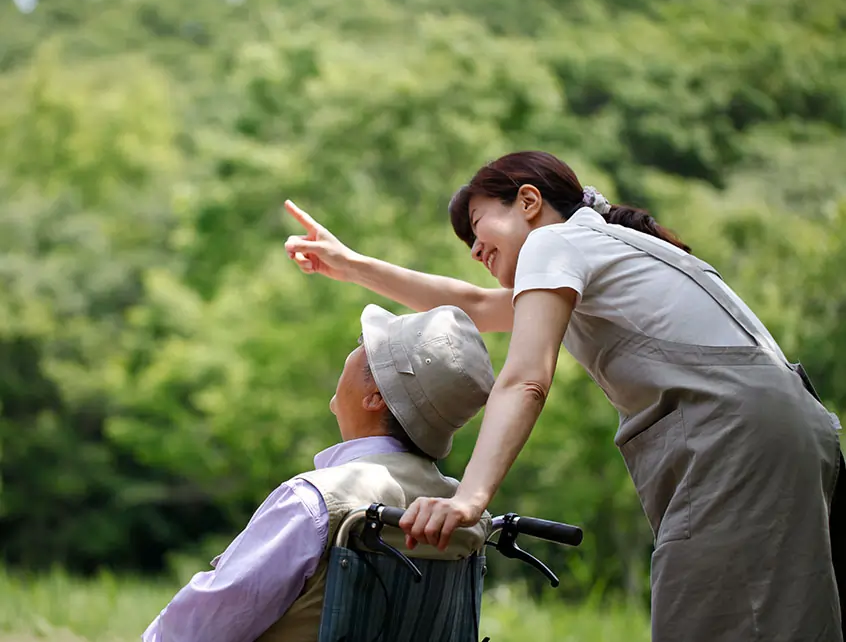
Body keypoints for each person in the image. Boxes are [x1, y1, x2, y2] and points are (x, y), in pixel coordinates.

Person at [284, 150, 845, 642]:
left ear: (528, 201)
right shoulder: (597, 249)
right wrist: (351, 265)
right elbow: (477, 306)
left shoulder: (554, 242)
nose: (475, 249)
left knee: (710, 618)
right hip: (789, 430)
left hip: (737, 441)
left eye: (479, 228)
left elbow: (527, 377)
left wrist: (469, 499)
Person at [142, 304, 495, 642]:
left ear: (375, 397)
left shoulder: (316, 500)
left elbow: (196, 630)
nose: (355, 349)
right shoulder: (461, 512)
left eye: (364, 346)